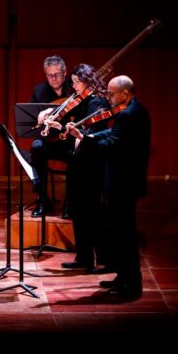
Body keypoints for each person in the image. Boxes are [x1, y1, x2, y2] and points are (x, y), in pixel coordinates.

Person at [66, 75, 150, 298]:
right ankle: (123, 277)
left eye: (112, 94)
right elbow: (112, 134)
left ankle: (131, 286)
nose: (109, 98)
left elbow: (113, 143)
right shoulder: (133, 110)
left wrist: (87, 141)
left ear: (124, 93)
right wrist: (88, 136)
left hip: (124, 183)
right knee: (119, 232)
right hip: (124, 182)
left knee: (124, 235)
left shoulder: (130, 115)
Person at [43, 64, 110, 271]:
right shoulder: (80, 101)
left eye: (76, 82)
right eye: (72, 82)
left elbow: (88, 133)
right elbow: (73, 129)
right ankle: (83, 258)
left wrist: (64, 128)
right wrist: (57, 125)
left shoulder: (97, 103)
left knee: (90, 212)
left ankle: (102, 260)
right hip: (77, 161)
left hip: (91, 164)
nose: (74, 87)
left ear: (88, 81)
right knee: (77, 211)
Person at [30, 55, 75, 217]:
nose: (54, 79)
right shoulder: (39, 91)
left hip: (68, 141)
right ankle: (43, 199)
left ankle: (70, 203)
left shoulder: (74, 89)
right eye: (50, 75)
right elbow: (32, 123)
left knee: (77, 153)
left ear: (64, 72)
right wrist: (39, 119)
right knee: (36, 148)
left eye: (57, 74)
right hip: (48, 141)